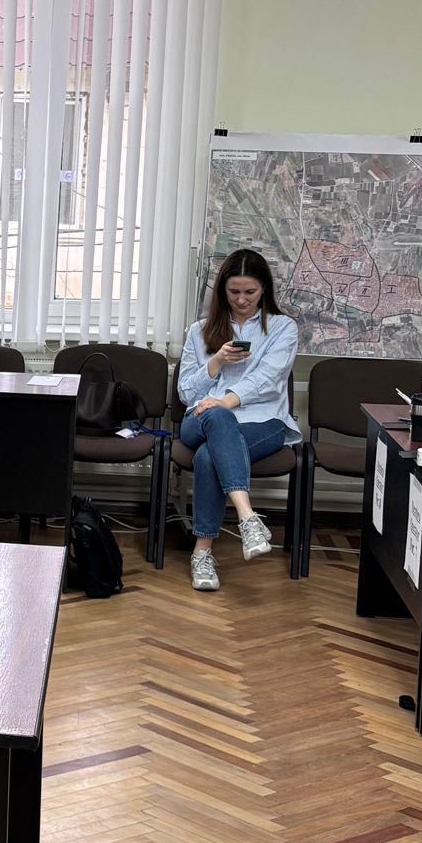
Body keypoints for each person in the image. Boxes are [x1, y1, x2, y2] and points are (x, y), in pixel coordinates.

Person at [176, 247, 299, 591]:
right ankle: (246, 516)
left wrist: (224, 400)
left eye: (250, 292)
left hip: (263, 421)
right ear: (222, 291)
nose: (242, 300)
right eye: (234, 292)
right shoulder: (199, 330)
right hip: (200, 419)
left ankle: (202, 552)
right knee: (216, 417)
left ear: (264, 290)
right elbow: (186, 392)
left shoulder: (282, 328)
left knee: (208, 455)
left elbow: (269, 379)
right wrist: (215, 362)